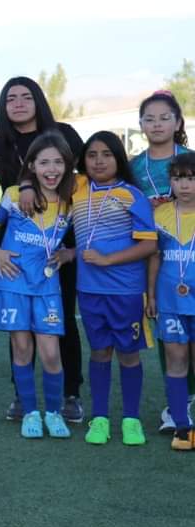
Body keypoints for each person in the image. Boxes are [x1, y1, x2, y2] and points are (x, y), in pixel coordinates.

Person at [0, 76, 85, 422]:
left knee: (61, 323)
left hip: (57, 246)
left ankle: (70, 394)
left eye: (25, 97)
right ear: (3, 106)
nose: (17, 103)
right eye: (10, 98)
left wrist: (30, 181)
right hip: (16, 252)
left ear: (38, 101)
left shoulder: (64, 132)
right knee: (19, 328)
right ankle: (23, 398)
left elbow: (83, 175)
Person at [71, 131, 157, 446]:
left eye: (106, 154)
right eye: (92, 155)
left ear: (118, 158)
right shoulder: (78, 188)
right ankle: (101, 418)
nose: (99, 161)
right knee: (99, 352)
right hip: (89, 290)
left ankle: (131, 420)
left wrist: (109, 260)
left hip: (126, 290)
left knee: (128, 354)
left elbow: (149, 245)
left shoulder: (131, 195)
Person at [0, 132, 76, 439]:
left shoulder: (72, 199)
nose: (51, 169)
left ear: (67, 165)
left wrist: (70, 253)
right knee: (22, 348)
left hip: (47, 285)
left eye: (58, 162)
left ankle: (53, 412)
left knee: (51, 352)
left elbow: (90, 236)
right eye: (44, 163)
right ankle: (30, 413)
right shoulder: (14, 195)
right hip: (12, 282)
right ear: (33, 166)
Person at [129, 89, 194, 433]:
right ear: (140, 125)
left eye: (164, 117)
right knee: (168, 335)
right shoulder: (134, 166)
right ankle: (177, 406)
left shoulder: (191, 158)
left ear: (178, 122)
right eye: (149, 119)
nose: (156, 124)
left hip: (190, 252)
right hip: (154, 257)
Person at [146, 152, 195, 450]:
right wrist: (150, 295)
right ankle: (181, 426)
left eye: (191, 178)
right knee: (176, 361)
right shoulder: (160, 214)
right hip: (170, 302)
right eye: (178, 179)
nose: (185, 185)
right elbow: (154, 257)